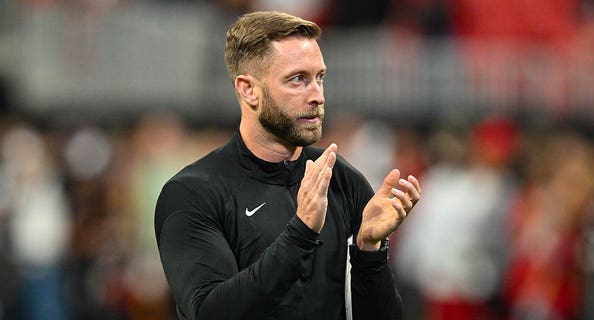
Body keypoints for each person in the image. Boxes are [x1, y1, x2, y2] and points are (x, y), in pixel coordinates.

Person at [154, 11, 421, 320]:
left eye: (319, 77)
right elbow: (210, 312)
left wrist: (368, 251)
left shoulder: (341, 180)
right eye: (298, 80)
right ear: (248, 89)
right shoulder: (193, 194)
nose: (318, 96)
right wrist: (301, 233)